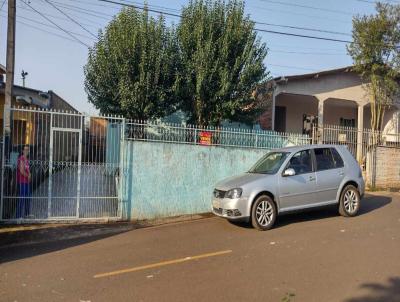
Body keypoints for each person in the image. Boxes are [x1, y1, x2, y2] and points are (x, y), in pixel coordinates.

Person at [16, 145, 31, 219]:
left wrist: (30, 174)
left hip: (27, 182)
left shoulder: (27, 160)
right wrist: (27, 176)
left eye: (27, 150)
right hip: (22, 182)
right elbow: (21, 171)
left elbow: (27, 169)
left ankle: (27, 214)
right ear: (22, 151)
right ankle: (18, 216)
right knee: (22, 198)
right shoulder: (21, 159)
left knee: (28, 197)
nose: (26, 151)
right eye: (25, 150)